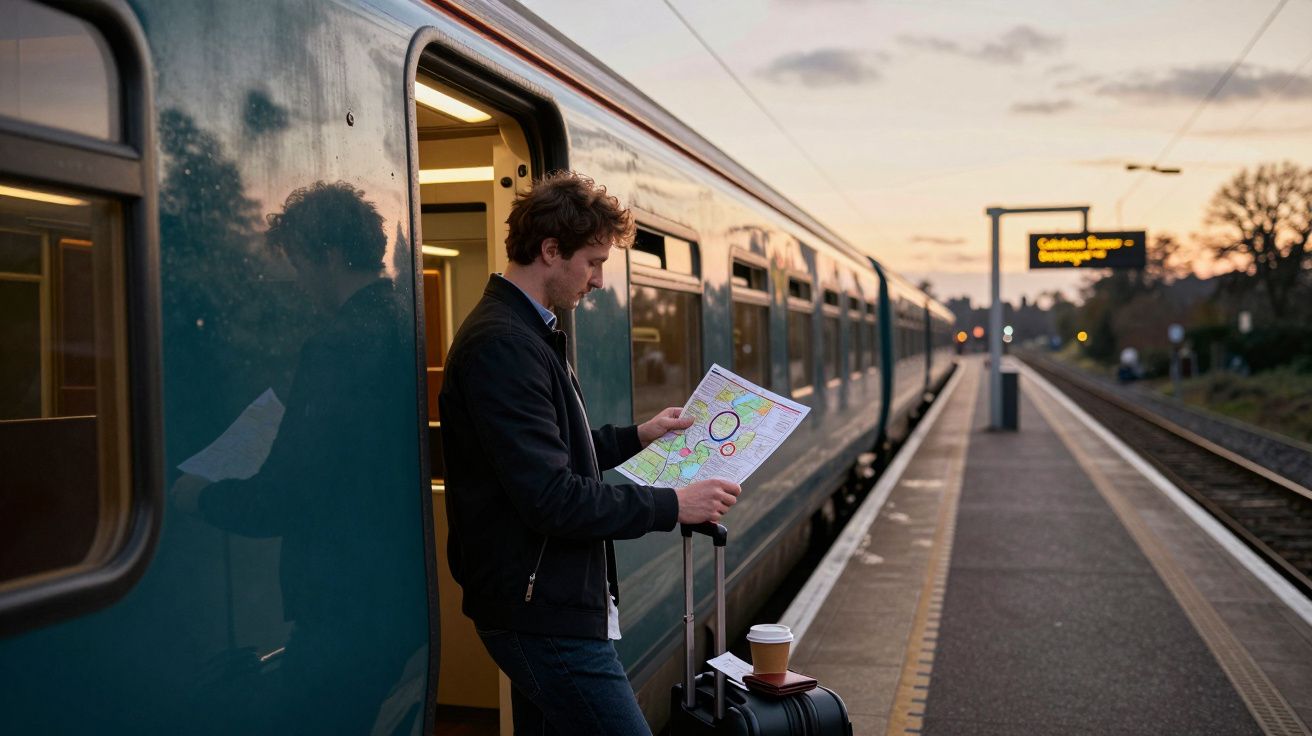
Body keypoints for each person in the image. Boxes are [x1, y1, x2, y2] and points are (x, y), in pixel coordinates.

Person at [440, 171, 741, 735]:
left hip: (544, 600)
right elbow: (552, 498)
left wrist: (638, 435)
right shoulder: (505, 345)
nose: (600, 281)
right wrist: (673, 504)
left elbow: (555, 457)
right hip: (541, 613)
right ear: (551, 251)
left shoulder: (528, 333)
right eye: (594, 262)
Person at [174, 181, 425, 734]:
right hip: (400, 594)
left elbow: (287, 496)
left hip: (345, 607)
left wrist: (203, 497)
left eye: (298, 261)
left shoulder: (337, 345)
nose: (299, 280)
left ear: (329, 256)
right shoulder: (406, 320)